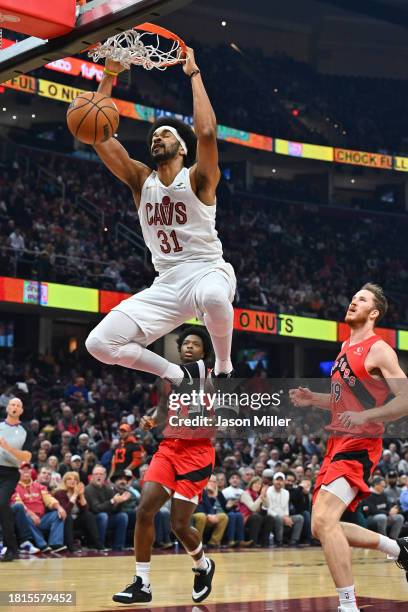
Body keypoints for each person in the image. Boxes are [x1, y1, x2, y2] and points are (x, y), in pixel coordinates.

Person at [85, 47, 236, 407]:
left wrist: (194, 75)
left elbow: (208, 132)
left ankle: (224, 368)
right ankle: (180, 374)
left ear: (182, 148)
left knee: (215, 298)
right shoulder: (141, 180)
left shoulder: (198, 178)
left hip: (207, 271)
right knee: (100, 344)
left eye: (166, 134)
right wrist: (110, 76)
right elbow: (97, 134)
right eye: (154, 135)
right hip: (166, 283)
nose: (157, 137)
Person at [290, 284, 408, 612]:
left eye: (363, 299)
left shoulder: (379, 349)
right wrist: (314, 399)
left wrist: (368, 415)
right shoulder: (344, 347)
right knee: (321, 525)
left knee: (325, 521)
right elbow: (343, 402)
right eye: (353, 296)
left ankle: (348, 606)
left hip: (360, 444)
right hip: (336, 443)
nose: (354, 300)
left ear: (374, 313)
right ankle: (401, 550)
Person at [112, 327, 216, 604]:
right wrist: (152, 421)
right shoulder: (168, 379)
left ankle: (203, 566)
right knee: (144, 510)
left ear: (204, 353)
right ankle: (142, 583)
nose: (189, 347)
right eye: (186, 343)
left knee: (179, 525)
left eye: (196, 344)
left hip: (197, 454)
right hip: (169, 450)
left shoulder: (210, 375)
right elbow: (161, 413)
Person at [0, 397, 34, 562]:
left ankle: (11, 547)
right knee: (4, 509)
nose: (14, 407)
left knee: (2, 503)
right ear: (7, 408)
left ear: (21, 411)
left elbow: (26, 456)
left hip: (10, 473)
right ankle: (10, 547)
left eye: (18, 405)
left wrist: (8, 449)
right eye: (12, 404)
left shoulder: (25, 430)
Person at [11, 462, 67, 553]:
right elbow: (18, 503)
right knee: (24, 514)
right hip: (26, 520)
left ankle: (55, 543)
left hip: (41, 519)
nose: (26, 471)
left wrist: (59, 507)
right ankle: (42, 545)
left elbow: (48, 499)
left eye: (28, 469)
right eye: (23, 470)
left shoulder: (39, 486)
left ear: (31, 471)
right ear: (18, 472)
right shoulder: (13, 487)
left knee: (58, 514)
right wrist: (32, 514)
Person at [53, 471, 103, 551]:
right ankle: (70, 546)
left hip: (76, 521)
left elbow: (85, 510)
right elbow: (66, 511)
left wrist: (81, 495)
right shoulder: (60, 493)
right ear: (65, 481)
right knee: (68, 517)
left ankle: (98, 544)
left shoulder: (77, 492)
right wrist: (75, 495)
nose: (72, 481)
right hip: (63, 521)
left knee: (89, 515)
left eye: (75, 479)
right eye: (69, 479)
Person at [85, 465, 130, 551]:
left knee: (123, 516)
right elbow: (96, 508)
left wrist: (119, 502)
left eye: (101, 474)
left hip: (107, 517)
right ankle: (100, 545)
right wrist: (113, 501)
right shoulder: (89, 489)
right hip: (93, 519)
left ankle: (119, 546)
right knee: (103, 516)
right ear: (92, 476)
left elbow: (114, 510)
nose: (99, 476)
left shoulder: (108, 489)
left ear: (105, 476)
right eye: (96, 474)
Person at [264, 472, 304, 546]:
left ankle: (294, 540)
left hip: (283, 516)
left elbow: (286, 508)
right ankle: (279, 541)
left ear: (284, 482)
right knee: (278, 518)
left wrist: (286, 516)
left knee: (299, 518)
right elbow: (269, 510)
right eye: (277, 480)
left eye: (281, 480)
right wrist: (283, 517)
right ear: (273, 481)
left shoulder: (286, 492)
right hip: (272, 516)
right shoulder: (269, 491)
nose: (279, 482)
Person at [239, 476, 273, 547]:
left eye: (259, 484)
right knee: (256, 517)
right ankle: (253, 543)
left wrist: (265, 496)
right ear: (251, 484)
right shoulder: (245, 493)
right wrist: (261, 496)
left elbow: (267, 506)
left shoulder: (258, 495)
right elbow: (253, 508)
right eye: (255, 483)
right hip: (245, 517)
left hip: (256, 517)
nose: (257, 485)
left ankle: (265, 543)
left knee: (269, 518)